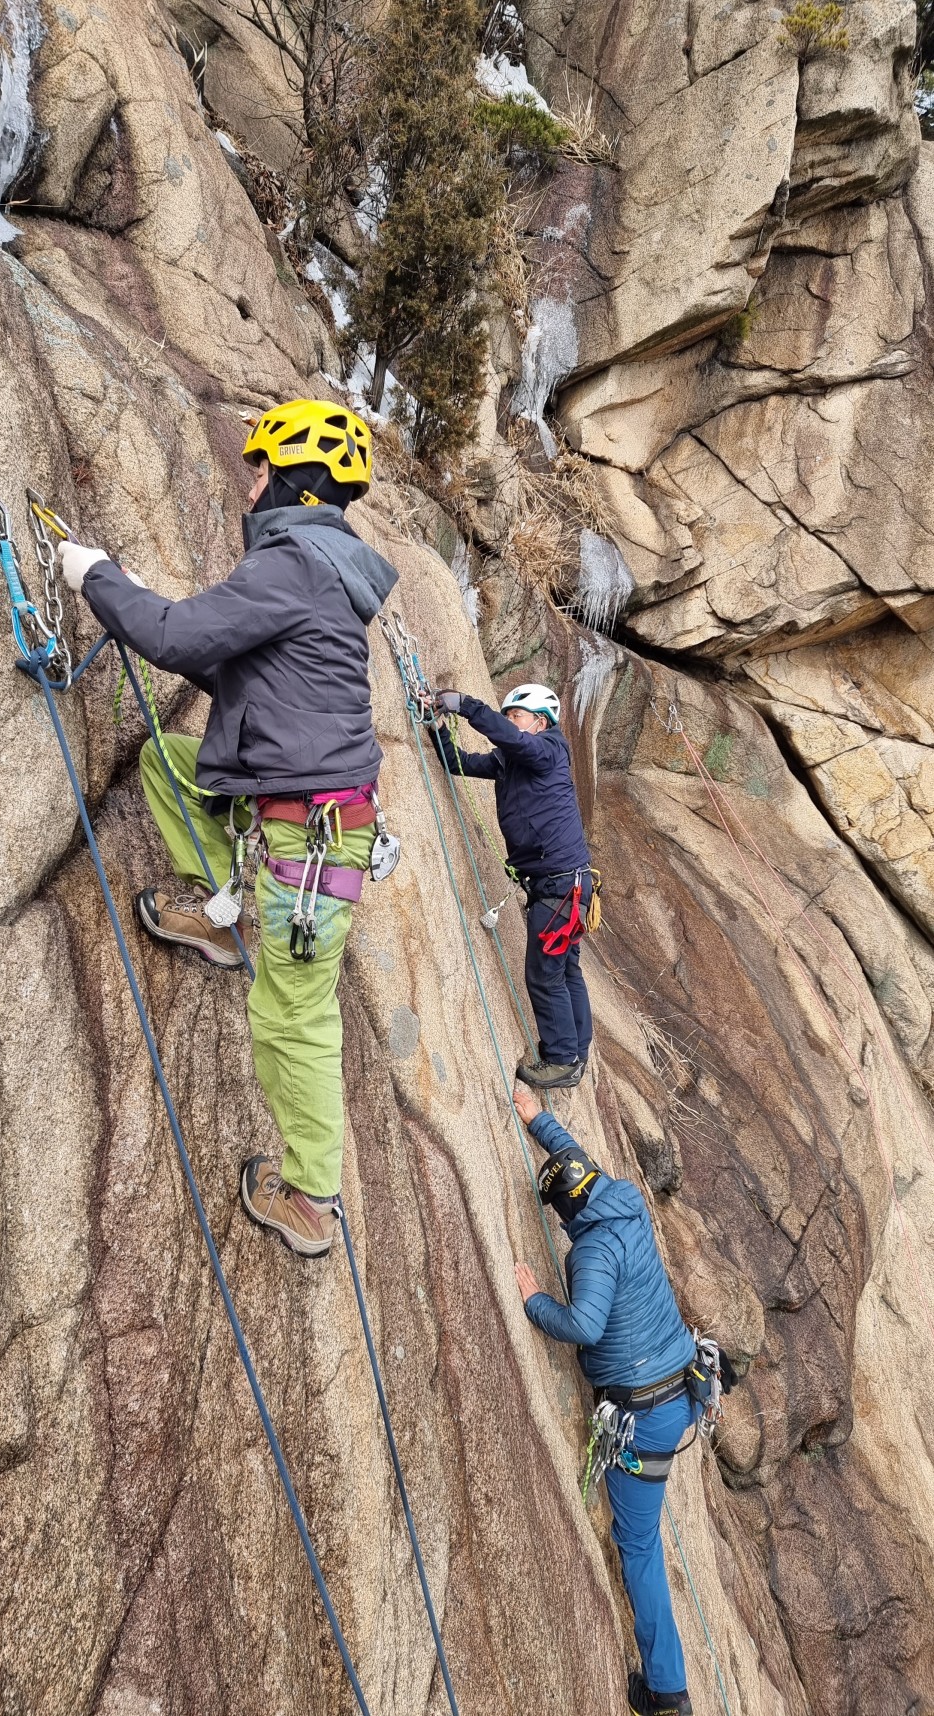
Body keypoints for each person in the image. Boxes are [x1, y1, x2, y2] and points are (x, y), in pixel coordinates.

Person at [59, 399, 397, 1258]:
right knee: (170, 766)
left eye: (260, 467)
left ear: (292, 478)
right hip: (298, 815)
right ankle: (221, 915)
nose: (250, 481)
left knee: (292, 1017)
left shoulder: (296, 563)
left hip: (310, 843)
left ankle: (313, 1199)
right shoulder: (319, 568)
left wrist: (96, 577)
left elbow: (177, 639)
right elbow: (229, 655)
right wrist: (127, 593)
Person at [512, 1087, 698, 1716]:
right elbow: (575, 1160)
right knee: (645, 1532)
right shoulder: (622, 1201)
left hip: (642, 1414)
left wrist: (536, 1301)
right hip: (679, 1389)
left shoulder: (590, 1248)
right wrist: (539, 1119)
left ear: (565, 1213)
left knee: (639, 1544)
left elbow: (587, 1326)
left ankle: (668, 1692)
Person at [429, 681, 593, 1091]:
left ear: (540, 722)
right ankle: (576, 1048)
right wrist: (437, 729)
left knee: (544, 975)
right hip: (561, 886)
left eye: (515, 717)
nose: (509, 725)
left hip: (559, 886)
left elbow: (515, 742)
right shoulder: (510, 761)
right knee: (565, 969)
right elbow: (459, 764)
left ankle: (561, 1060)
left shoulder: (549, 750)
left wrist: (466, 705)